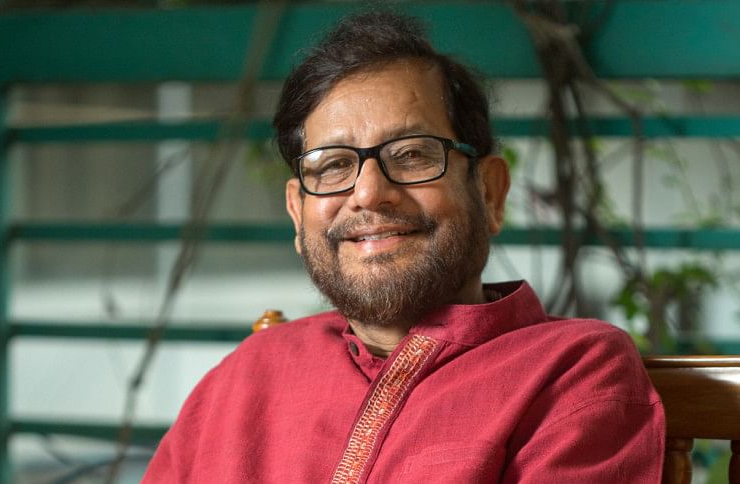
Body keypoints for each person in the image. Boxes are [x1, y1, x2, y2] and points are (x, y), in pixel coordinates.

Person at [143, 10, 664, 483]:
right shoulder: (247, 374)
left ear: (489, 192)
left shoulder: (573, 371)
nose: (369, 193)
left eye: (413, 154)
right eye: (333, 165)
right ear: (298, 216)